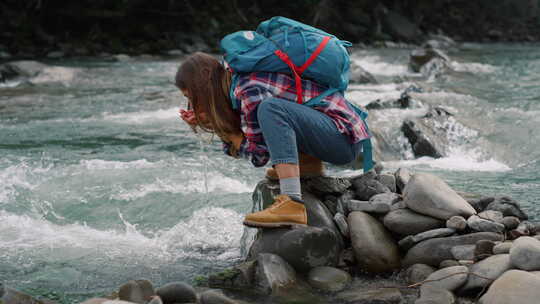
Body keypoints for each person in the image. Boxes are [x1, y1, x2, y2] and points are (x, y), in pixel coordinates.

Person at [176, 52, 371, 228]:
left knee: (272, 109)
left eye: (191, 96)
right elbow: (259, 140)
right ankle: (307, 166)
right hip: (336, 135)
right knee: (273, 112)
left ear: (203, 84)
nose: (192, 104)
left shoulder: (247, 87)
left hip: (342, 139)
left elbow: (259, 154)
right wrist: (212, 124)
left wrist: (226, 132)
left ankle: (292, 201)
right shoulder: (234, 86)